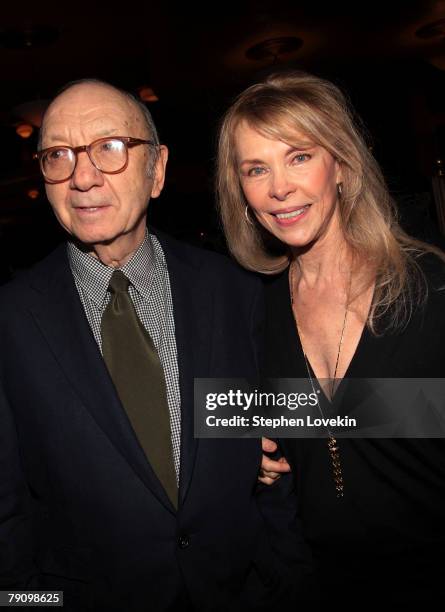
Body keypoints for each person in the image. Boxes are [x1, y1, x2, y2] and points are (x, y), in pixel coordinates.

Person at [0, 79, 306, 611]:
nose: (83, 177)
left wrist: (291, 581)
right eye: (58, 156)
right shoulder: (9, 319)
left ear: (157, 170)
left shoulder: (236, 290)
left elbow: (274, 423)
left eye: (109, 148)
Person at [216, 70, 445, 609]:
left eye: (299, 156)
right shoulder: (254, 307)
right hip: (322, 583)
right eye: (256, 168)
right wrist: (243, 438)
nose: (279, 187)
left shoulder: (429, 285)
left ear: (340, 165)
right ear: (243, 193)